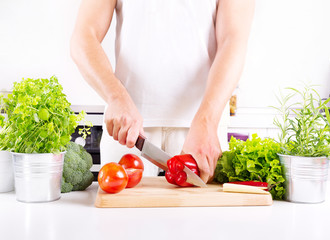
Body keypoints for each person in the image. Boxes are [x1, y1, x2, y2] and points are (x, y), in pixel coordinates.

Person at [70, 0, 255, 183]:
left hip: (202, 131)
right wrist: (116, 97)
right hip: (128, 130)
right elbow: (84, 37)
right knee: (120, 212)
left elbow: (233, 40)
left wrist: (208, 121)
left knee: (203, 212)